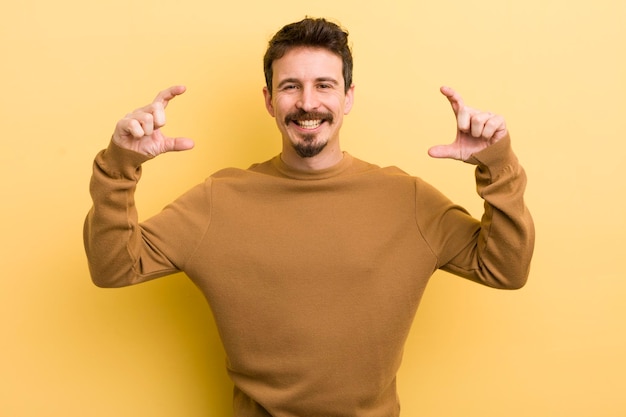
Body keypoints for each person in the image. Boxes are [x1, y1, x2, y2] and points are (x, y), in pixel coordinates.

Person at [84, 17, 534, 417]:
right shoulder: (219, 201)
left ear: (348, 97)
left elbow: (505, 269)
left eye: (324, 85)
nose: (307, 102)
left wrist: (496, 165)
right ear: (269, 100)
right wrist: (120, 164)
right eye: (290, 86)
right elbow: (114, 267)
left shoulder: (407, 199)